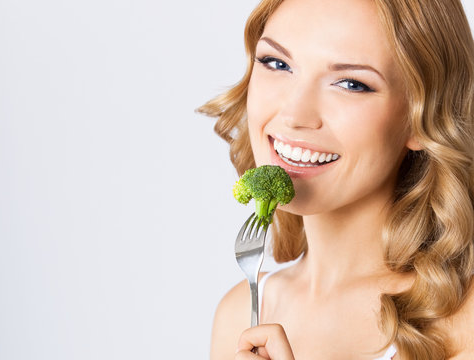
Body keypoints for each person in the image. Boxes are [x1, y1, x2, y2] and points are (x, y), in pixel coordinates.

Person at [198, 0, 474, 359]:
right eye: (277, 63)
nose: (295, 115)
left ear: (422, 118)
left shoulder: (462, 323)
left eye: (351, 84)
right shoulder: (240, 313)